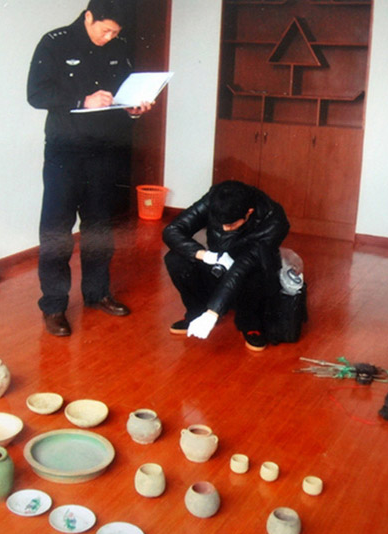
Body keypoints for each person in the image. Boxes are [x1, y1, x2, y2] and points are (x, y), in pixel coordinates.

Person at [27, 0, 153, 337]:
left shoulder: (119, 47)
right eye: (105, 30)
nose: (109, 37)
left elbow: (123, 95)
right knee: (57, 229)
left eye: (115, 32)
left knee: (99, 227)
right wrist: (82, 100)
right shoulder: (54, 42)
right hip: (64, 151)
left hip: (104, 150)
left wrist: (133, 109)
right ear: (88, 17)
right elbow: (36, 94)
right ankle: (54, 306)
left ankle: (98, 294)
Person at [162, 180, 291, 351]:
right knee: (175, 258)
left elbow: (242, 267)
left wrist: (213, 313)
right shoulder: (217, 198)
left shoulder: (274, 220)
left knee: (255, 274)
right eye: (220, 223)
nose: (225, 228)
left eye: (231, 224)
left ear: (249, 212)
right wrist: (205, 255)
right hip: (219, 260)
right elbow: (172, 230)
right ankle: (196, 312)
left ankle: (250, 323)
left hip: (250, 271)